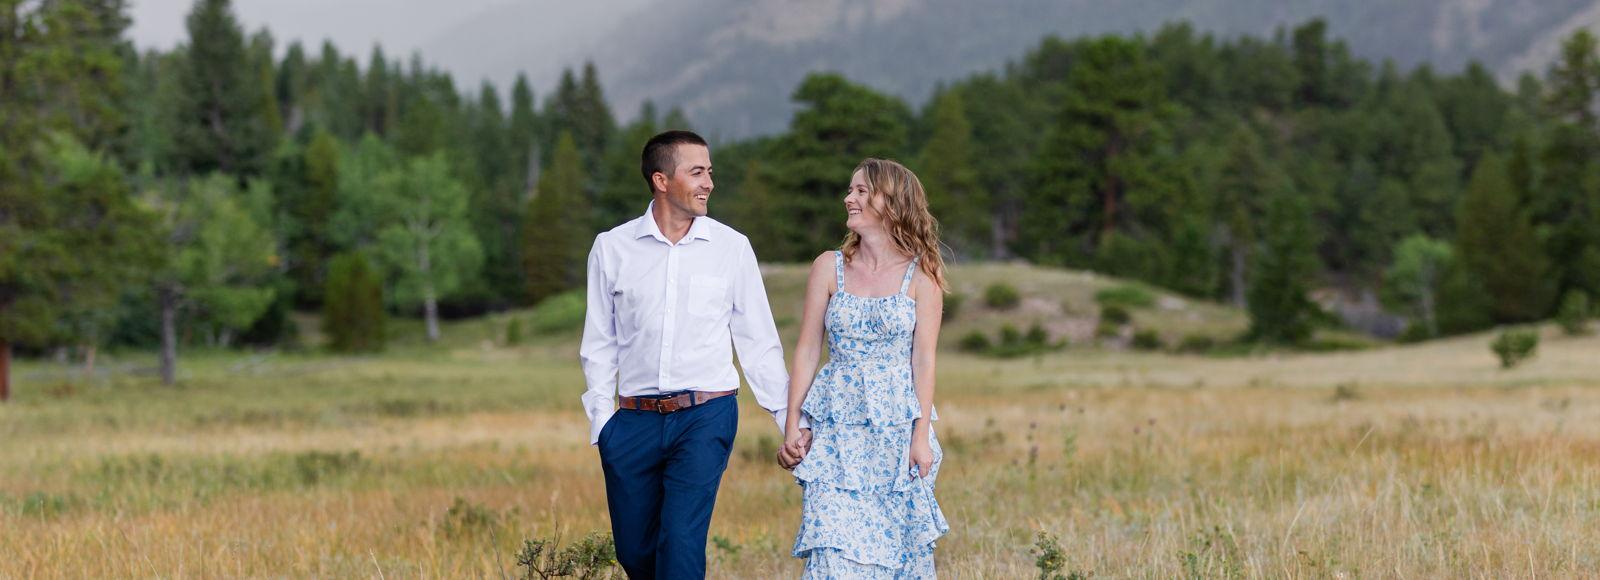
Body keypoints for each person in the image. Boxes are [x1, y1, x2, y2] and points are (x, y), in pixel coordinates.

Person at [579, 130, 797, 579]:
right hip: (632, 422)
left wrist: (788, 421)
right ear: (661, 180)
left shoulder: (732, 248)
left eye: (710, 172)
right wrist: (603, 425)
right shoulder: (611, 247)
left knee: (680, 546)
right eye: (697, 172)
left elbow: (758, 342)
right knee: (636, 554)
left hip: (705, 415)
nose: (709, 183)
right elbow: (600, 342)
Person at [778, 158, 950, 578]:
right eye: (850, 189)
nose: (848, 198)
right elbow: (807, 349)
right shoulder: (828, 266)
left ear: (891, 202)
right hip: (836, 432)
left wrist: (920, 437)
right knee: (832, 551)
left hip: (896, 434)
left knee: (898, 554)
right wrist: (792, 423)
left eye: (860, 191)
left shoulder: (922, 276)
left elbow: (924, 361)